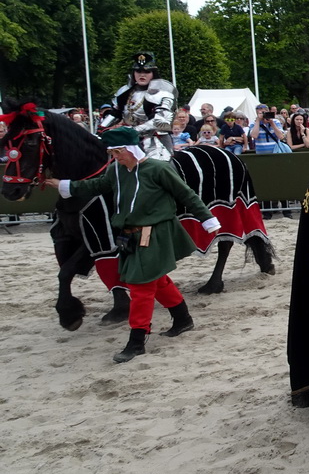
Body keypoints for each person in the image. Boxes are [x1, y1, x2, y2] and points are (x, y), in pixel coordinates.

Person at [46, 127, 221, 363]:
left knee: (141, 286)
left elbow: (186, 195)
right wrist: (65, 186)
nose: (114, 156)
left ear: (131, 149)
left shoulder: (158, 169)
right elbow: (95, 186)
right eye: (112, 152)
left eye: (117, 152)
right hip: (128, 235)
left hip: (155, 233)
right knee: (155, 280)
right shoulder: (116, 170)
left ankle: (137, 340)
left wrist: (208, 220)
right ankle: (182, 318)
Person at [101, 51, 177, 161]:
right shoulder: (124, 92)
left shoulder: (164, 92)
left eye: (147, 72)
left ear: (153, 73)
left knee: (158, 168)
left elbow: (161, 121)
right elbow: (115, 113)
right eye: (138, 71)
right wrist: (101, 129)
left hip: (155, 140)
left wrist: (133, 131)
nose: (142, 75)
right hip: (127, 140)